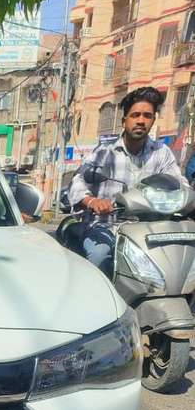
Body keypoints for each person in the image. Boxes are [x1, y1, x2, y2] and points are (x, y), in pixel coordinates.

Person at [67, 87, 186, 277]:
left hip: (150, 230)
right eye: (135, 115)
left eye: (147, 116)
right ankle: (99, 294)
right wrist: (93, 201)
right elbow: (78, 181)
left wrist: (186, 197)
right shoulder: (104, 152)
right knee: (99, 256)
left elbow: (179, 184)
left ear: (153, 120)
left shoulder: (162, 153)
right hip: (108, 226)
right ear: (124, 121)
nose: (141, 120)